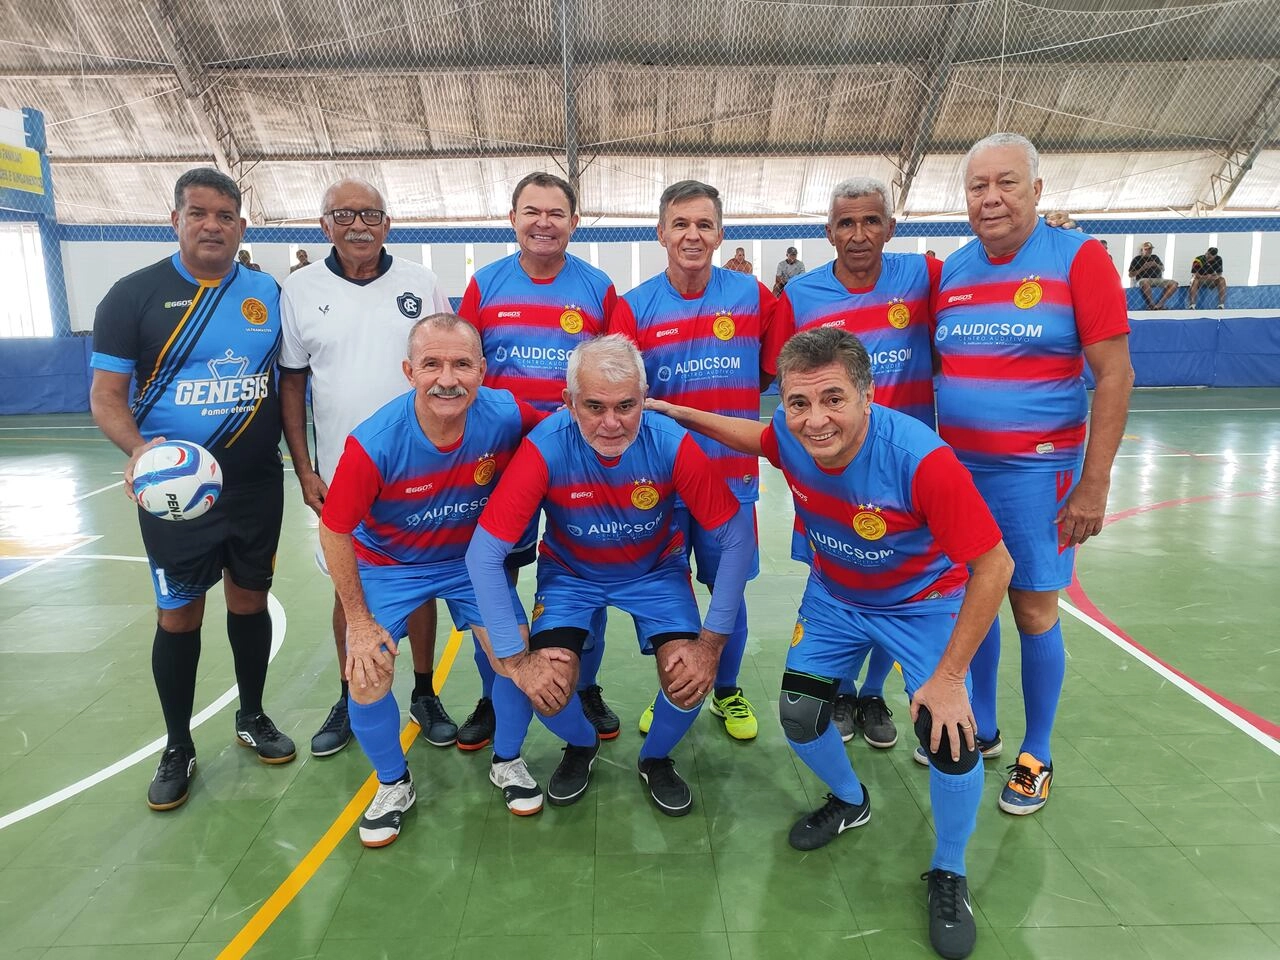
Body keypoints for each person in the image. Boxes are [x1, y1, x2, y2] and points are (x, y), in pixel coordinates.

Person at [647, 328, 1014, 960]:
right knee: (800, 712)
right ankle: (851, 802)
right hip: (836, 599)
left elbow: (996, 566)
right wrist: (676, 410)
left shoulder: (921, 461)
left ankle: (949, 872)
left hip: (922, 604)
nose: (815, 421)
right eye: (798, 403)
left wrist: (951, 677)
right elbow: (750, 435)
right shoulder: (788, 434)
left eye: (833, 399)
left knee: (950, 739)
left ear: (866, 395)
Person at [465, 335, 753, 816]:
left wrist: (711, 643)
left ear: (644, 399)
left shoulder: (671, 442)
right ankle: (581, 745)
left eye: (626, 405)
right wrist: (516, 659)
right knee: (549, 684)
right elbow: (483, 554)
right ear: (569, 402)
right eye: (594, 406)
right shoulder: (544, 447)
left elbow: (737, 538)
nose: (612, 423)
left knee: (687, 675)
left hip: (655, 572)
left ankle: (655, 758)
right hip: (572, 575)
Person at [934, 132, 1133, 816]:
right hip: (960, 472)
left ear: (1038, 190)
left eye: (1007, 183)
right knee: (977, 597)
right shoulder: (954, 271)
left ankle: (1036, 752)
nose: (991, 198)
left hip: (1038, 475)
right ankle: (982, 728)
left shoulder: (1079, 259)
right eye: (977, 186)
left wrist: (1095, 480)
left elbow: (1115, 373)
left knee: (1033, 607)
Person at [89, 167, 294, 811]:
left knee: (249, 600)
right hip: (177, 493)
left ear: (241, 225)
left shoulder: (265, 291)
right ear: (173, 218)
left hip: (256, 483)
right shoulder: (131, 296)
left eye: (226, 215)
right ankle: (178, 743)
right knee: (179, 613)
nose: (213, 225)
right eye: (199, 213)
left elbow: (291, 381)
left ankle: (251, 715)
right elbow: (106, 397)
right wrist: (141, 450)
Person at [319, 313, 542, 846]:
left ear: (482, 370)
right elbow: (334, 532)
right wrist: (358, 619)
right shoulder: (373, 443)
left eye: (462, 364)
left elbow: (566, 431)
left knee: (515, 656)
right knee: (367, 668)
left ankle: (507, 761)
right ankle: (394, 783)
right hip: (391, 566)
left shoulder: (506, 414)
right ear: (408, 370)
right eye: (432, 364)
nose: (448, 378)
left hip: (469, 565)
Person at [280, 177, 454, 758]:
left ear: (388, 223)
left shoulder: (420, 282)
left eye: (371, 214)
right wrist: (305, 467)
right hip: (341, 472)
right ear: (323, 223)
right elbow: (294, 380)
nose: (359, 225)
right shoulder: (300, 288)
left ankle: (425, 692)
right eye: (344, 214)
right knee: (346, 586)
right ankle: (350, 690)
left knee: (420, 578)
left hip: (419, 471)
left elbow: (447, 362)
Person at [611, 180, 788, 741]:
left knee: (726, 592)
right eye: (681, 224)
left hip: (730, 480)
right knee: (670, 593)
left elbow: (769, 372)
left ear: (720, 233)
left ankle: (727, 692)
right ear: (661, 232)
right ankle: (674, 689)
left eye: (704, 224)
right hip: (659, 485)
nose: (693, 234)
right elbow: (619, 391)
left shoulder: (754, 297)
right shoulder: (632, 307)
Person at [775, 175, 942, 749]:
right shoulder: (800, 298)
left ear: (891, 228)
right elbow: (783, 381)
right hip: (832, 474)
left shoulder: (922, 277)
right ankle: (842, 690)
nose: (859, 233)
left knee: (897, 583)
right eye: (846, 223)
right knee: (846, 581)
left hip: (903, 477)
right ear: (828, 232)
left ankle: (872, 693)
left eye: (872, 221)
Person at [457, 171, 622, 749]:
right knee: (495, 580)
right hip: (502, 464)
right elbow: (466, 367)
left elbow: (619, 369)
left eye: (556, 213)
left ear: (574, 224)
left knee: (587, 573)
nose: (544, 222)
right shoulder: (485, 285)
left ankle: (585, 686)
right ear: (513, 219)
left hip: (582, 463)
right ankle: (494, 689)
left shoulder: (599, 289)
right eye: (532, 211)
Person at [1128, 241, 1177, 309]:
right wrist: (1142, 268)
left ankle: (1160, 304)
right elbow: (1130, 275)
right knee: (1145, 282)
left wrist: (1156, 265)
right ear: (1142, 250)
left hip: (1158, 279)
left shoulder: (1155, 257)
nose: (1149, 251)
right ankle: (1152, 304)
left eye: (1150, 249)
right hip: (1144, 279)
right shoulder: (1137, 259)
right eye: (1146, 249)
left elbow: (1163, 269)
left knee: (1174, 283)